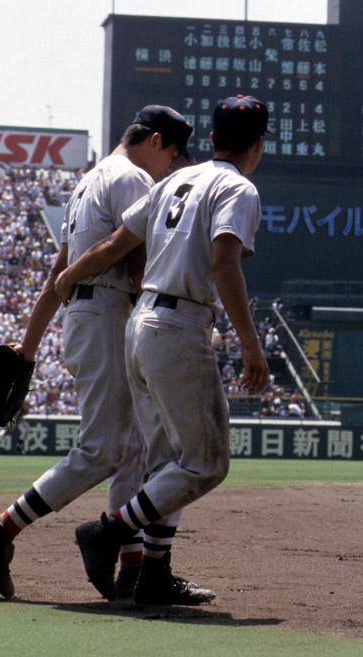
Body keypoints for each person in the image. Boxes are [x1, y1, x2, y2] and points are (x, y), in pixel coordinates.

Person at [0, 105, 212, 604]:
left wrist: (29, 348)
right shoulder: (131, 178)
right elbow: (138, 260)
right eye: (171, 154)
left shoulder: (88, 182)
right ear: (156, 140)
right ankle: (2, 528)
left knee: (135, 448)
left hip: (90, 312)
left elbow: (61, 270)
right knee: (104, 448)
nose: (169, 166)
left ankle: (132, 570)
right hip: (108, 313)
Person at [52, 94, 272, 605]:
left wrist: (66, 278)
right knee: (205, 462)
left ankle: (154, 574)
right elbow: (224, 263)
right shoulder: (239, 187)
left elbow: (111, 247)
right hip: (179, 324)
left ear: (213, 139)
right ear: (257, 146)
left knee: (166, 461)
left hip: (138, 322)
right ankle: (107, 531)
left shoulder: (172, 179)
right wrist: (249, 341)